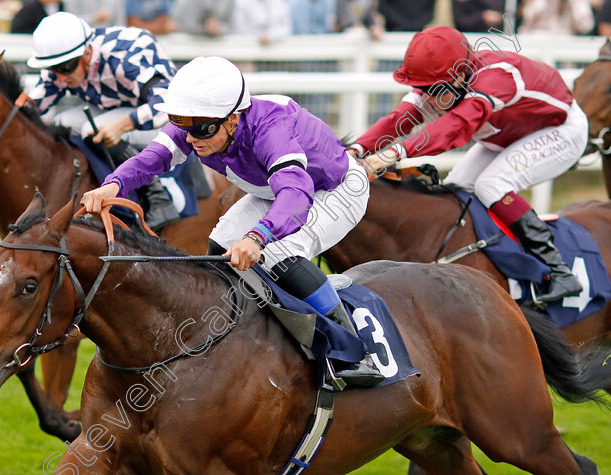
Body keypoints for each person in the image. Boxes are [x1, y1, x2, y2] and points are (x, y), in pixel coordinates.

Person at [81, 56, 385, 389]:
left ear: (234, 119)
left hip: (333, 191)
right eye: (182, 125)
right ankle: (244, 336)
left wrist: (258, 237)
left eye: (202, 130)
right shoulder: (199, 120)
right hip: (274, 190)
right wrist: (112, 184)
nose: (192, 137)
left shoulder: (271, 128)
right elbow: (153, 158)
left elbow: (297, 195)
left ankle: (356, 351)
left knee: (275, 254)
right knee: (221, 245)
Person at [350, 26, 588, 303]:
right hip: (507, 135)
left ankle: (560, 272)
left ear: (461, 76)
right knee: (456, 189)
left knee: (491, 186)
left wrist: (395, 153)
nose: (427, 98)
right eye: (422, 89)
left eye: (434, 90)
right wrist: (358, 149)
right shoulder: (443, 80)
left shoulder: (496, 78)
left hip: (561, 130)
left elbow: (455, 127)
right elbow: (399, 118)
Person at [28, 12, 180, 230]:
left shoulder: (126, 57)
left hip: (164, 116)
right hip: (115, 109)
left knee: (92, 128)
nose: (59, 77)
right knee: (61, 121)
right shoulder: (67, 59)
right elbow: (34, 104)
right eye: (53, 69)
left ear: (87, 54)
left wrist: (121, 125)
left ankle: (157, 197)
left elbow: (165, 106)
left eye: (64, 69)